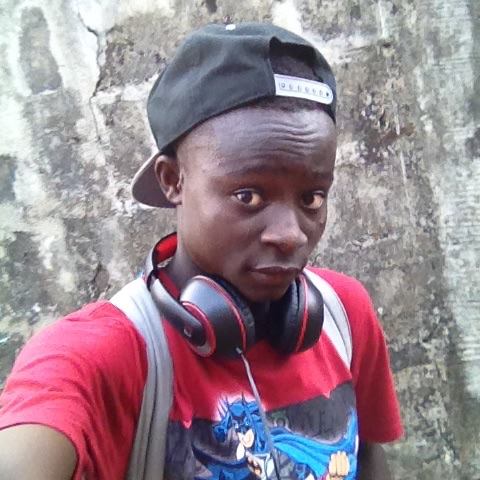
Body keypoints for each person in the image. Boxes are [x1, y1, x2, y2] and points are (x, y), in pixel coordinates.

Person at [0, 22, 403, 480]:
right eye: (248, 195)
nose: (291, 235)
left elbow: (368, 457)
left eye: (312, 198)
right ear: (173, 180)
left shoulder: (344, 313)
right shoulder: (100, 358)